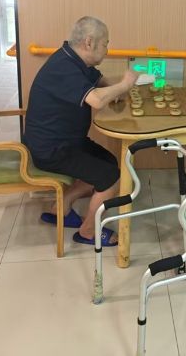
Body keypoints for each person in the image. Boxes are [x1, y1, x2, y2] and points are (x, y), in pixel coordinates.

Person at [23, 16, 138, 246]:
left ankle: (61, 208)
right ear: (89, 42)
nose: (107, 49)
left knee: (108, 162)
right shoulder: (63, 67)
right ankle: (88, 231)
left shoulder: (75, 60)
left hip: (65, 141)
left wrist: (118, 91)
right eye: (105, 43)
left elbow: (101, 83)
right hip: (51, 149)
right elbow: (96, 99)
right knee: (110, 177)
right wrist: (124, 84)